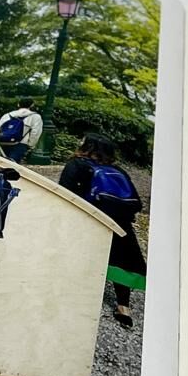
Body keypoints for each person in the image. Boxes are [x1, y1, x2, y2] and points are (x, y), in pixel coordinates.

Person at [59, 134, 147, 328]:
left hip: (88, 220)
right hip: (119, 224)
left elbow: (64, 193)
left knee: (78, 256)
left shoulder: (76, 165)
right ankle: (124, 308)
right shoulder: (118, 170)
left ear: (87, 146)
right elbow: (133, 202)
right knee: (121, 261)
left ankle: (72, 295)